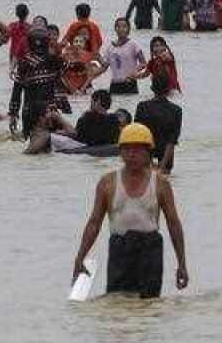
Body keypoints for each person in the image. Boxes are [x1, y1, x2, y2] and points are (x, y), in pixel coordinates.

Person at [70, 123, 189, 298]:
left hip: (150, 249)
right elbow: (94, 222)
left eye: (138, 150)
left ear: (148, 152)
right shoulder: (107, 183)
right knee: (118, 304)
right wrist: (80, 257)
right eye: (127, 149)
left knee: (148, 305)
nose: (132, 155)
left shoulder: (161, 184)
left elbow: (173, 223)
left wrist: (182, 263)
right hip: (120, 249)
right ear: (120, 152)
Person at [8, 27, 66, 139]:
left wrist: (13, 114)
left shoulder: (24, 63)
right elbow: (62, 82)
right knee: (52, 141)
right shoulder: (55, 60)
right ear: (47, 43)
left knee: (29, 139)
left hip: (29, 111)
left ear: (29, 43)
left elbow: (17, 90)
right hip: (49, 112)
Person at [134, 72, 182, 173]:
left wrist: (150, 163)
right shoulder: (176, 110)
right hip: (165, 158)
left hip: (144, 156)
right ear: (169, 90)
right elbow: (172, 141)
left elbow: (139, 137)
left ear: (152, 88)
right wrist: (162, 166)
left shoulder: (142, 107)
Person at [95, 17, 146, 96]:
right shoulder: (110, 47)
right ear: (115, 29)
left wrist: (133, 73)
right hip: (114, 85)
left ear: (128, 29)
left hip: (130, 84)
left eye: (124, 26)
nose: (121, 29)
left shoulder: (133, 45)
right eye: (118, 27)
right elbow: (104, 66)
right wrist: (97, 57)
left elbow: (143, 63)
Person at [6, 3, 31, 68]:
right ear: (27, 13)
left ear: (16, 14)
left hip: (13, 55)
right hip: (25, 55)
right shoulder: (30, 28)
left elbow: (5, 38)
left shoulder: (12, 26)